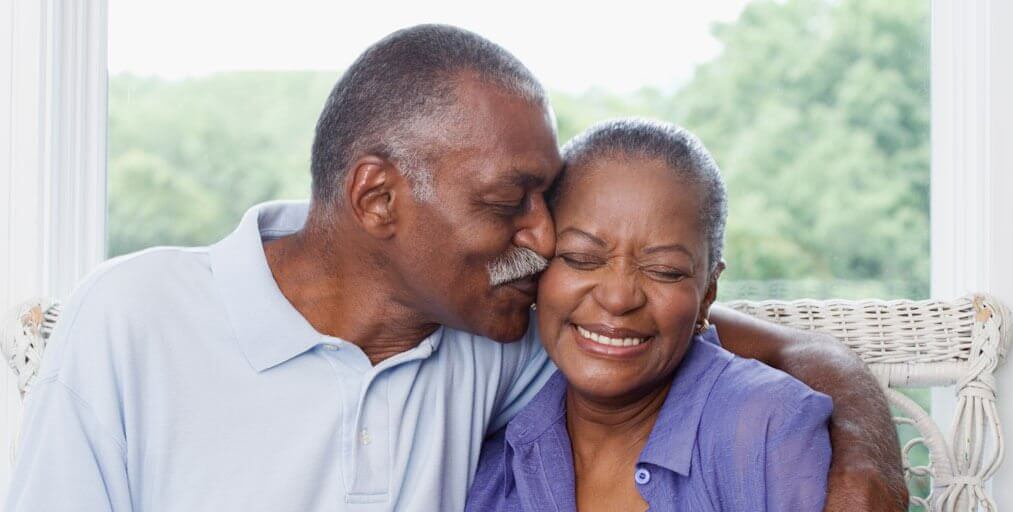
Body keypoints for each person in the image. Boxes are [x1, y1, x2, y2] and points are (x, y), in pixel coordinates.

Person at [6, 25, 905, 511]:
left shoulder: (495, 331)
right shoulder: (134, 316)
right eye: (510, 200)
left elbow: (734, 340)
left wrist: (867, 453)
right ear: (378, 197)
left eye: (547, 200)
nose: (544, 238)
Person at [467, 119, 831, 511]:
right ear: (538, 271)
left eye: (664, 271)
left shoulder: (767, 430)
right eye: (581, 258)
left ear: (708, 293)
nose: (618, 298)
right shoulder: (490, 458)